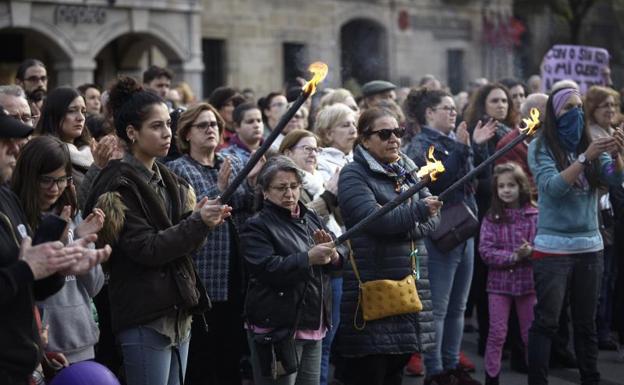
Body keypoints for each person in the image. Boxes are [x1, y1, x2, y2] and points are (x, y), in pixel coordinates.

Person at [83, 76, 231, 385]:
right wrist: (197, 222)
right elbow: (146, 249)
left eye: (168, 124)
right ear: (132, 133)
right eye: (156, 126)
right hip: (145, 314)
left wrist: (203, 222)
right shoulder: (118, 185)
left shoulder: (170, 181)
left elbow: (185, 245)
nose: (167, 133)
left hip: (178, 310)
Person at [0, 110, 111, 385]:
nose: (15, 147)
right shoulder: (17, 201)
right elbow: (20, 277)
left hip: (33, 359)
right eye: (4, 140)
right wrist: (26, 269)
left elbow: (30, 290)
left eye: (61, 180)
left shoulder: (7, 200)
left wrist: (58, 267)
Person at [336, 107, 441, 385]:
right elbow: (375, 221)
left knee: (397, 366)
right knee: (371, 369)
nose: (394, 138)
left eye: (398, 132)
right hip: (374, 284)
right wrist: (415, 215)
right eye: (384, 134)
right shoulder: (353, 174)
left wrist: (407, 223)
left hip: (409, 284)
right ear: (365, 140)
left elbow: (434, 217)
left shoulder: (407, 167)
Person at [527, 86, 624, 385]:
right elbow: (552, 188)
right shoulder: (541, 146)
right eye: (569, 107)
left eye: (580, 106)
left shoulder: (592, 142)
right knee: (547, 321)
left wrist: (618, 154)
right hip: (553, 248)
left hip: (590, 246)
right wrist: (584, 158)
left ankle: (591, 378)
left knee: (586, 324)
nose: (577, 113)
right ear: (555, 114)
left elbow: (613, 181)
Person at [166, 102, 258, 385]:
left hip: (236, 272)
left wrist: (255, 187)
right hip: (202, 277)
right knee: (204, 361)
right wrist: (219, 190)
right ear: (186, 134)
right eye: (203, 125)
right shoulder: (177, 170)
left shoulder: (232, 162)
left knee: (232, 357)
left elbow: (246, 206)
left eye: (215, 125)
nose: (211, 130)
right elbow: (188, 213)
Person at [240, 155, 342, 385]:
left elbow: (338, 251)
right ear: (265, 192)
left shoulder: (311, 216)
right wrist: (308, 258)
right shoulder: (257, 225)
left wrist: (334, 255)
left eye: (294, 186)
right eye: (281, 188)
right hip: (277, 327)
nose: (290, 194)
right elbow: (266, 268)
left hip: (312, 323)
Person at [403, 89, 482, 385]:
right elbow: (439, 181)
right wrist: (462, 149)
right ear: (428, 113)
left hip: (464, 229)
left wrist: (475, 147)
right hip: (439, 233)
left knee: (458, 306)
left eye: (453, 108)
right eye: (446, 108)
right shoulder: (421, 145)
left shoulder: (454, 140)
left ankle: (452, 364)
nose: (453, 112)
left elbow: (473, 179)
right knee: (438, 306)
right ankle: (435, 370)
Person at [464, 83, 518, 356]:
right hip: (486, 212)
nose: (501, 105)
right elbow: (478, 179)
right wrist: (479, 145)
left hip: (514, 213)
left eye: (505, 101)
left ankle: (512, 340)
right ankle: (490, 340)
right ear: (483, 104)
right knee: (487, 281)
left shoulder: (515, 134)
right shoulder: (477, 133)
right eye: (495, 100)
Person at [478, 163, 538, 385]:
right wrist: (513, 256)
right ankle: (491, 378)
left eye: (511, 185)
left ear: (521, 186)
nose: (506, 190)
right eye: (501, 186)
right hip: (499, 285)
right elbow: (485, 251)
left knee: (530, 334)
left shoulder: (533, 214)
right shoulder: (491, 217)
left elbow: (541, 245)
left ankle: (536, 375)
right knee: (497, 333)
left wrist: (531, 252)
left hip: (527, 283)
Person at [584, 85, 621, 351]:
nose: (610, 110)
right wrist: (616, 157)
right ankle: (599, 330)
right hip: (600, 213)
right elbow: (608, 177)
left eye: (613, 106)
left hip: (616, 211)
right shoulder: (593, 137)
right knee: (603, 276)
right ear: (592, 110)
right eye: (603, 105)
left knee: (612, 275)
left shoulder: (613, 134)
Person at [35, 87, 93, 205]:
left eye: (83, 111)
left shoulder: (92, 151)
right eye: (72, 110)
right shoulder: (45, 152)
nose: (80, 118)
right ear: (55, 114)